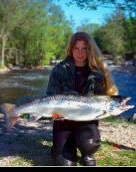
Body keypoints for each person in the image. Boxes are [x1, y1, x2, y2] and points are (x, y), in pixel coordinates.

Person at [46, 32, 118, 166]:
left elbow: (102, 101)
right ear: (70, 49)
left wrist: (112, 111)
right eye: (76, 48)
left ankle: (86, 152)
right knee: (64, 164)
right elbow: (50, 95)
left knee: (89, 143)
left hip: (86, 121)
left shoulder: (98, 73)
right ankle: (62, 146)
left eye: (84, 48)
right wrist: (53, 113)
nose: (80, 53)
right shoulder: (59, 69)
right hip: (63, 122)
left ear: (90, 50)